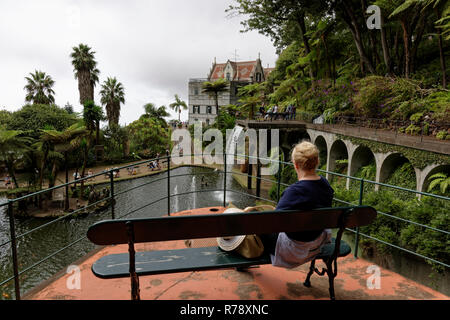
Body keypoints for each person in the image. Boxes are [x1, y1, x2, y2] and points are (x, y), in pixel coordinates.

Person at [260, 141, 334, 268]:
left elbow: (273, 223)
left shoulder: (293, 192)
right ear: (317, 162)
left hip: (292, 249)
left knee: (257, 225)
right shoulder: (326, 186)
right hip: (316, 243)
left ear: (295, 165)